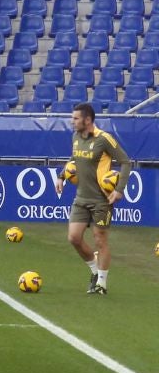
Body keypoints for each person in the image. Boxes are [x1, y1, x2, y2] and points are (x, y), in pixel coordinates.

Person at [60, 102, 132, 295]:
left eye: (75, 118)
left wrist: (118, 189)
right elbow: (74, 159)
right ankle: (94, 271)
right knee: (74, 238)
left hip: (102, 200)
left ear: (88, 120)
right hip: (81, 197)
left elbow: (126, 162)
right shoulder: (75, 137)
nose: (72, 121)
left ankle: (101, 282)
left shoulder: (104, 139)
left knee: (100, 239)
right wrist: (61, 177)